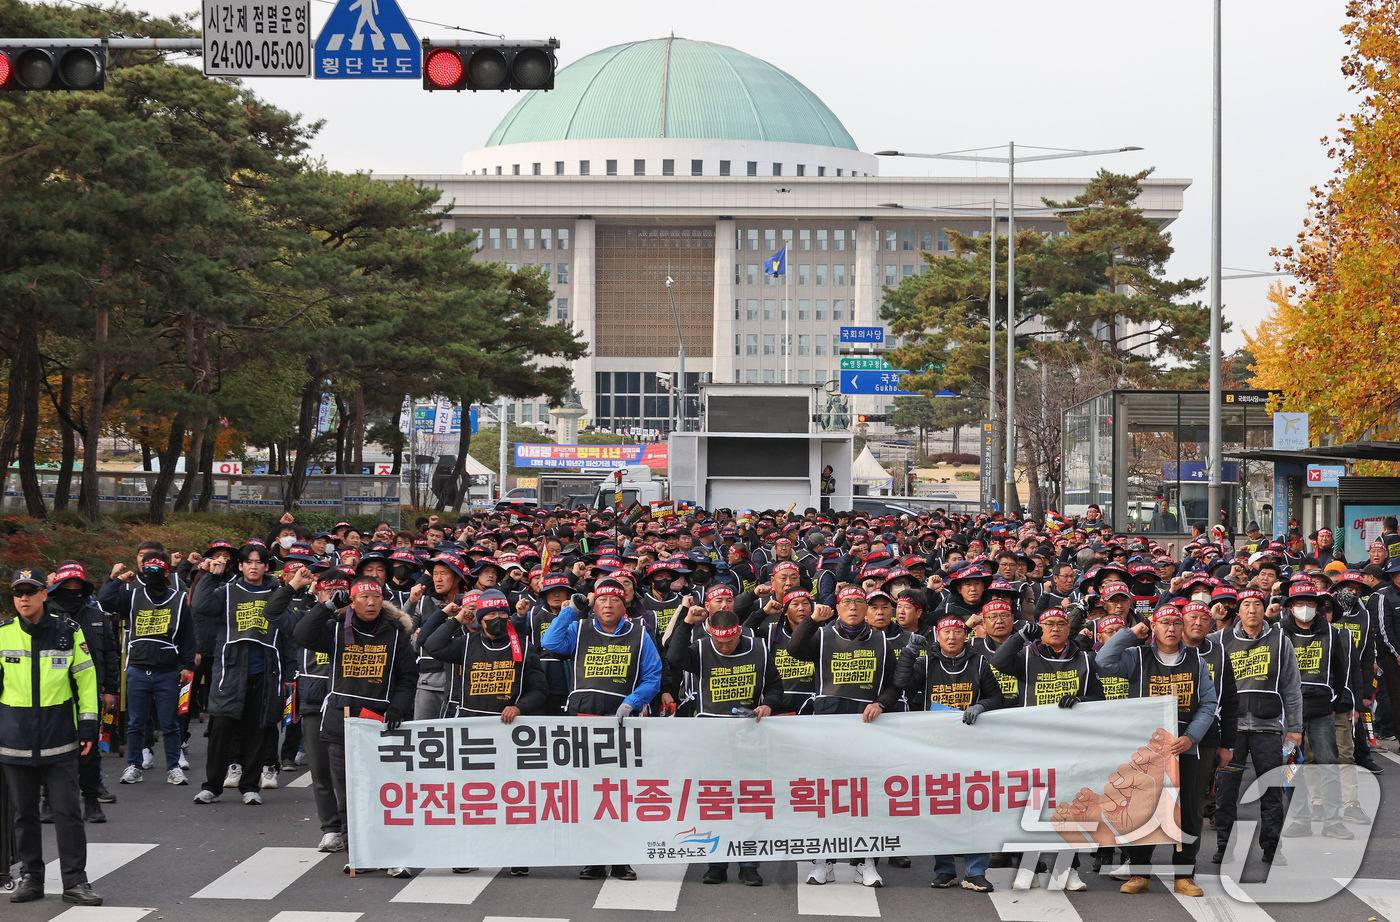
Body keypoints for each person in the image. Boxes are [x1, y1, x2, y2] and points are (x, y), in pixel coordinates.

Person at [293, 576, 418, 876]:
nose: (371, 602)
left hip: (381, 722)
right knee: (349, 792)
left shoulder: (395, 632)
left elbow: (407, 676)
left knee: (386, 790)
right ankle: (359, 852)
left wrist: (399, 707)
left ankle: (392, 853)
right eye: (363, 597)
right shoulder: (337, 628)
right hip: (342, 720)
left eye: (376, 596)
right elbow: (302, 636)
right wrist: (325, 608)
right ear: (352, 600)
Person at [542, 578, 663, 883]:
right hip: (583, 720)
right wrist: (571, 610)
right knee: (587, 793)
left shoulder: (640, 633)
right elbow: (550, 642)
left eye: (615, 600)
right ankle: (593, 858)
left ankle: (621, 858)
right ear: (594, 605)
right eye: (602, 600)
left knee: (620, 795)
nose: (608, 605)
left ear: (625, 606)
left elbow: (653, 676)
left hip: (621, 723)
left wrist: (632, 702)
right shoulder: (580, 629)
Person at [1094, 605, 1220, 896]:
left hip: (1186, 749)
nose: (1172, 628)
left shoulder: (1197, 662)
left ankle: (1184, 875)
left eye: (1177, 622)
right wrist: (1130, 632)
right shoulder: (1137, 657)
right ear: (1154, 627)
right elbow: (1103, 660)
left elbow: (1208, 704)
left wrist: (1191, 737)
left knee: (1189, 812)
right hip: (1146, 751)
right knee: (1143, 809)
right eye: (1164, 623)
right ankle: (1140, 873)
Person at [1, 568, 103, 906]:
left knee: (67, 813)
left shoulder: (68, 631)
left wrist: (89, 726)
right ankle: (32, 877)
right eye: (18, 593)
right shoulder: (2, 635)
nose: (24, 598)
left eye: (31, 591)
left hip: (60, 737)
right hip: (14, 738)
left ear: (45, 593)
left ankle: (75, 882)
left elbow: (87, 682)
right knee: (24, 814)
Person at [785, 587, 899, 888]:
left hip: (866, 724)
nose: (852, 606)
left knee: (866, 795)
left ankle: (865, 861)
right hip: (828, 723)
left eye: (859, 602)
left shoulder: (882, 640)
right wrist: (811, 619)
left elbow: (894, 685)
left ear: (867, 610)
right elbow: (794, 649)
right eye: (847, 601)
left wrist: (882, 703)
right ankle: (823, 860)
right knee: (826, 794)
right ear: (837, 606)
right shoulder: (821, 635)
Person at [666, 604, 782, 886]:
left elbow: (776, 687)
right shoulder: (703, 649)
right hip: (711, 736)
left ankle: (749, 864)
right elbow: (675, 656)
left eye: (729, 642)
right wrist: (686, 623)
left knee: (749, 801)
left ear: (739, 632)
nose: (724, 647)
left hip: (747, 734)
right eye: (719, 641)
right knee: (716, 801)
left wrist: (768, 705)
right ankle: (716, 864)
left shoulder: (759, 649)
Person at [894, 615, 1002, 892]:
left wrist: (981, 707)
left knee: (976, 808)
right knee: (941, 807)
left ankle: (976, 871)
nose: (952, 637)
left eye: (957, 631)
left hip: (973, 747)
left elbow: (996, 697)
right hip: (936, 746)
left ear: (965, 636)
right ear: (937, 637)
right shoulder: (928, 662)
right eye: (946, 632)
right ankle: (945, 869)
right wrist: (909, 652)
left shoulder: (978, 663)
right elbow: (902, 684)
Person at [191, 544, 295, 805]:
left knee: (258, 730)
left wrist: (289, 674)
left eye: (259, 562)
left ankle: (250, 786)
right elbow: (201, 606)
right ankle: (211, 786)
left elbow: (290, 631)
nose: (253, 566)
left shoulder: (277, 593)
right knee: (221, 729)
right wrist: (209, 575)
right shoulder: (227, 591)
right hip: (230, 671)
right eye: (248, 561)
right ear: (239, 565)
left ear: (266, 566)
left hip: (266, 671)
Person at [1212, 587, 1303, 867]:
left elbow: (1292, 687)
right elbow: (1191, 643)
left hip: (1269, 728)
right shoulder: (1222, 639)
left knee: (1272, 791)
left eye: (1257, 605)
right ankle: (1225, 846)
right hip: (1231, 730)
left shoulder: (1280, 639)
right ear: (1237, 611)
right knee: (1226, 791)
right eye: (1246, 605)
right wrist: (1214, 619)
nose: (1252, 610)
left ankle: (1271, 847)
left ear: (1265, 610)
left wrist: (1295, 727)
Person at [110, 551, 196, 788]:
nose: (150, 575)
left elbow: (189, 635)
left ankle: (173, 767)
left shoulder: (179, 599)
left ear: (167, 572)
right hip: (137, 669)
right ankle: (134, 766)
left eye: (156, 571)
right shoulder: (133, 596)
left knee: (170, 723)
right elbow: (106, 599)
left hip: (167, 671)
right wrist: (117, 579)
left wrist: (188, 665)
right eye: (146, 570)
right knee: (136, 722)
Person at [1277, 582, 1355, 841]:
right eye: (1299, 603)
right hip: (1288, 715)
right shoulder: (1278, 633)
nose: (1305, 608)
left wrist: (1333, 703)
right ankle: (1299, 820)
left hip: (1321, 711)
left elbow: (1342, 672)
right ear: (1290, 606)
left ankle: (1332, 821)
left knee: (1329, 766)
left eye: (1311, 603)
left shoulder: (1332, 633)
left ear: (1319, 607)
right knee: (1291, 767)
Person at [44, 562, 119, 822]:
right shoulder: (47, 614)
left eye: (77, 586)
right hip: (53, 693)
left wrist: (111, 689)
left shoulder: (96, 614)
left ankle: (91, 801)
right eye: (67, 586)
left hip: (90, 692)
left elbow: (110, 653)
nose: (72, 590)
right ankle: (48, 802)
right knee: (50, 746)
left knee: (89, 748)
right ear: (57, 587)